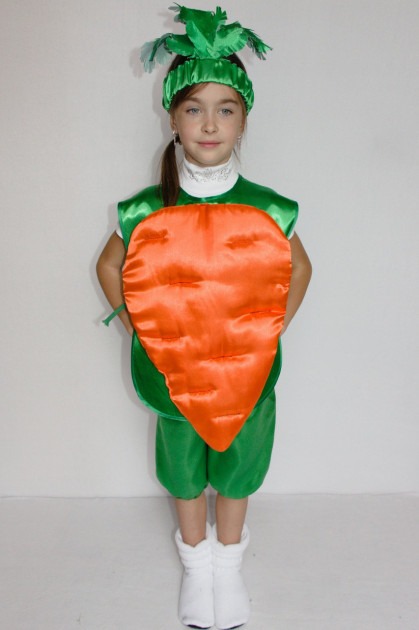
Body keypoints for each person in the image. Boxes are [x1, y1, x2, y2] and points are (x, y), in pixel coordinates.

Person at [96, 5, 312, 630]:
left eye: (225, 109)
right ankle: (196, 563)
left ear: (244, 118)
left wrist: (269, 328)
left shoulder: (269, 207)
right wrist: (140, 325)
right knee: (183, 463)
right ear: (172, 117)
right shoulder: (145, 208)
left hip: (247, 370)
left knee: (241, 461)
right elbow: (110, 266)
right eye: (194, 109)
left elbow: (299, 268)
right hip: (173, 370)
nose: (209, 123)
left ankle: (229, 564)